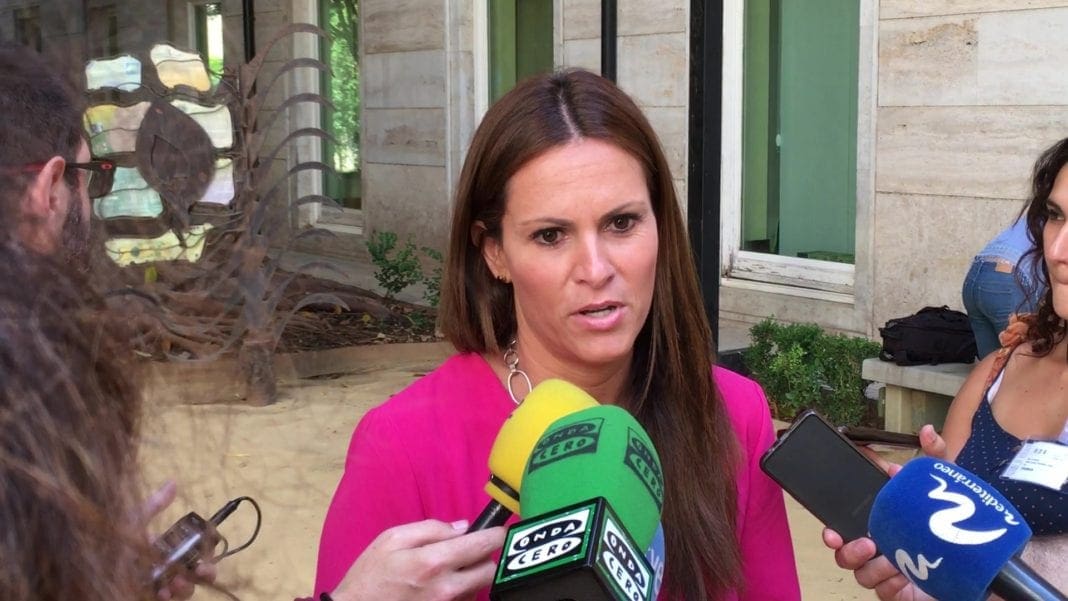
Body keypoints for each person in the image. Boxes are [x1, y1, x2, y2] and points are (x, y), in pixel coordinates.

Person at [312, 69, 800, 600]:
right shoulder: (402, 446)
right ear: (495, 252)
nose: (596, 269)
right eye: (550, 235)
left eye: (621, 223)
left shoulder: (734, 414)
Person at [0, 43, 213, 600]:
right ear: (50, 189)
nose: (91, 203)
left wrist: (94, 570)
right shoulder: (32, 375)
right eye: (87, 176)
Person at [825, 137, 1068, 598]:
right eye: (1055, 216)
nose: (1057, 249)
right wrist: (915, 561)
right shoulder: (1000, 368)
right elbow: (938, 572)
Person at [962, 215, 1039, 358]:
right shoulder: (1054, 223)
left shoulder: (1034, 218)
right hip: (1007, 281)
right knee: (1020, 361)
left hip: (974, 277)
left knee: (990, 362)